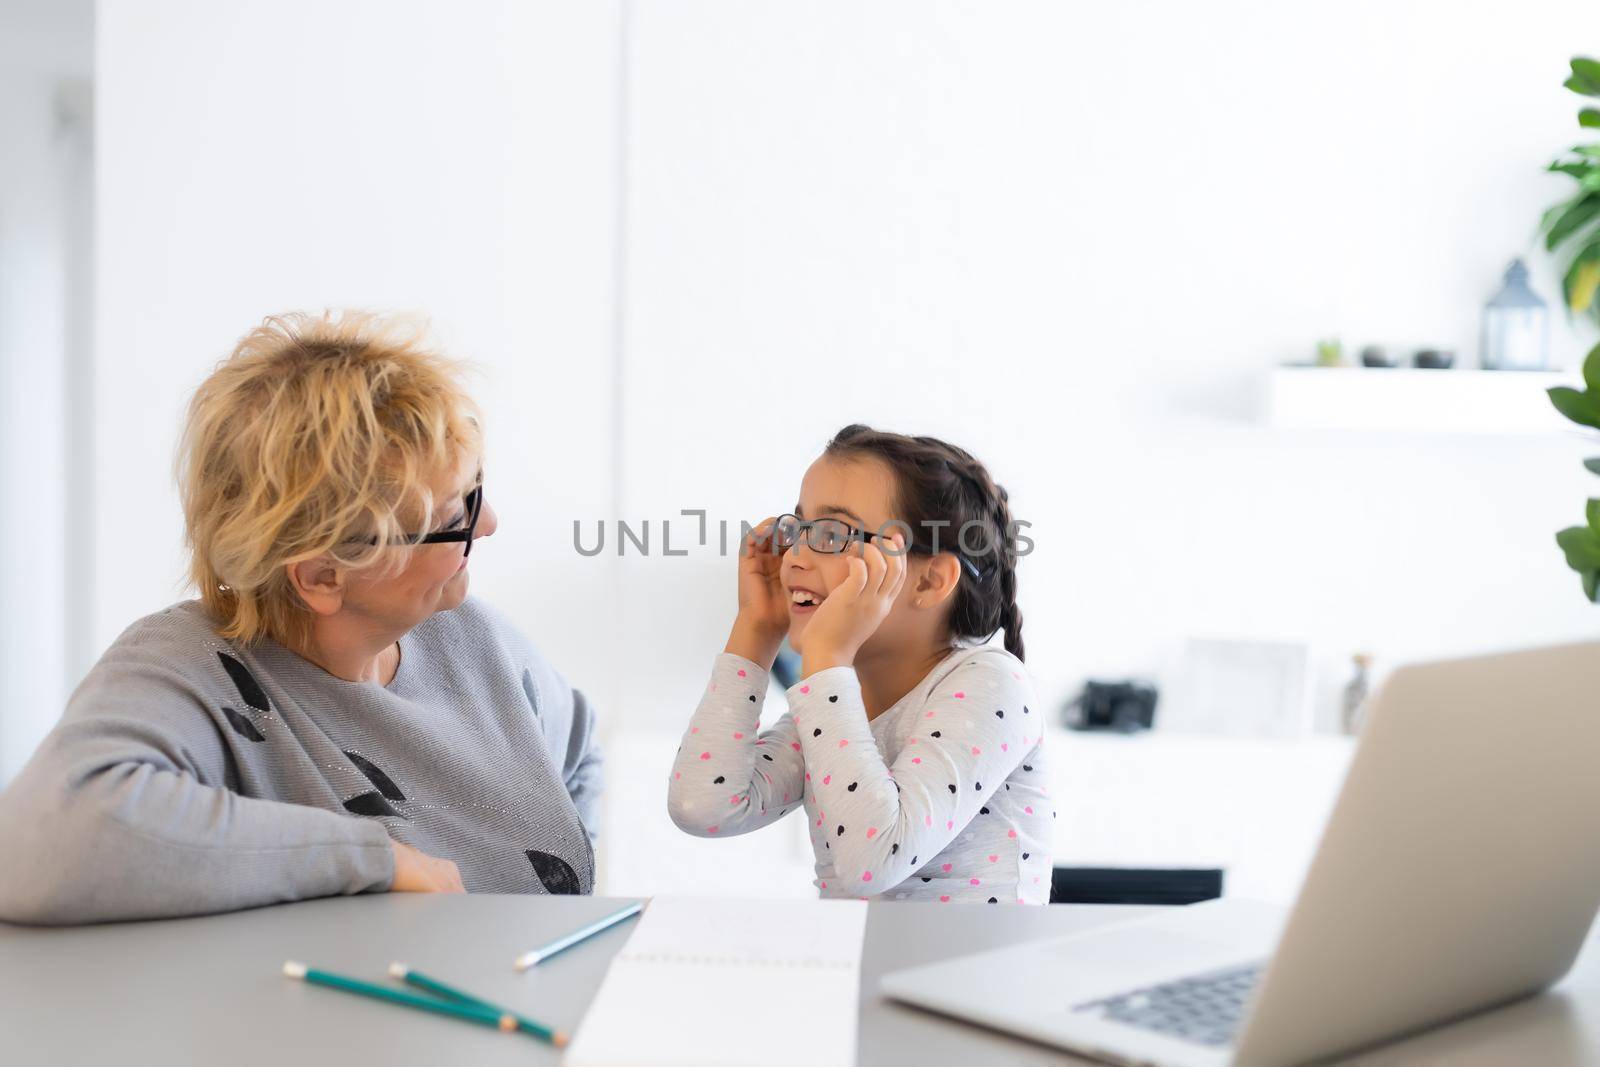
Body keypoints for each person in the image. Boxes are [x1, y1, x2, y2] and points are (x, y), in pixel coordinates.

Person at [0, 311, 602, 924]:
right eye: (455, 515)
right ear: (322, 577)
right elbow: (44, 842)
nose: (489, 524)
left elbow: (581, 756)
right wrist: (372, 860)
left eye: (474, 489)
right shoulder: (190, 669)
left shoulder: (477, 641)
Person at [667, 424, 1051, 903]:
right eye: (798, 528)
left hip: (965, 976)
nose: (795, 557)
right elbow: (701, 806)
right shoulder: (837, 709)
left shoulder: (992, 681)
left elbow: (872, 862)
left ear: (929, 582)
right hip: (857, 974)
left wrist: (826, 657)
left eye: (832, 533)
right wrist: (756, 628)